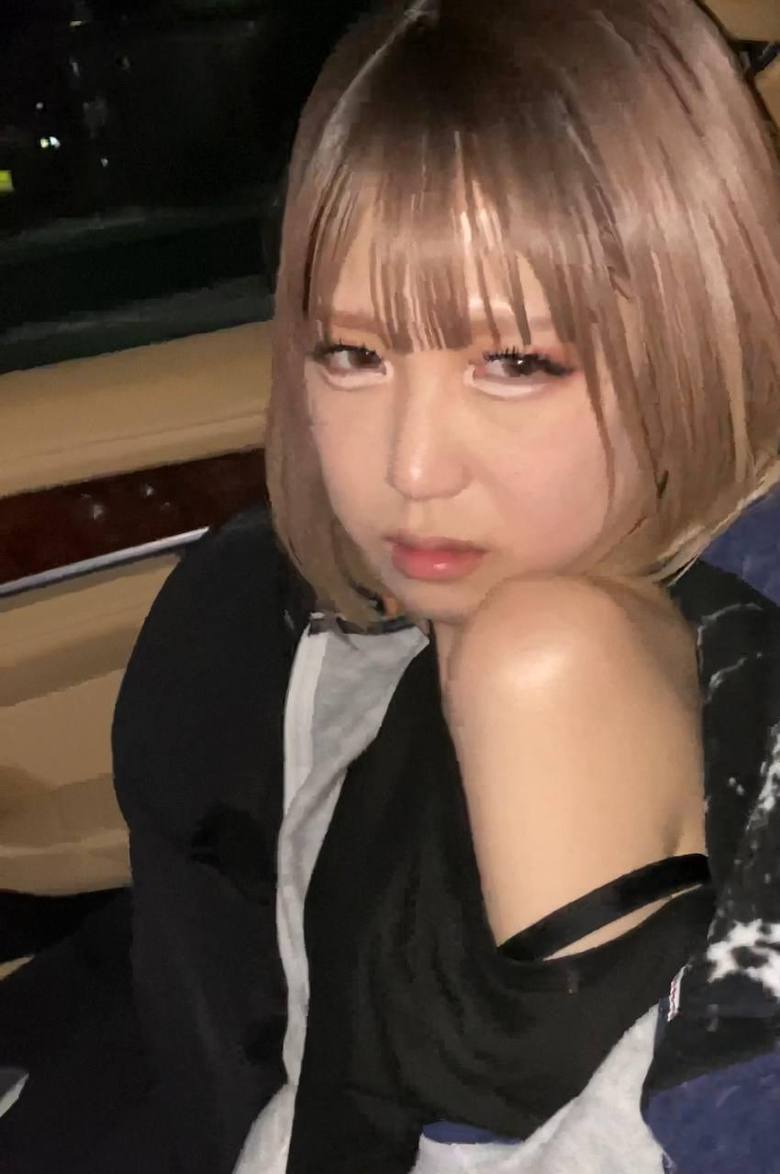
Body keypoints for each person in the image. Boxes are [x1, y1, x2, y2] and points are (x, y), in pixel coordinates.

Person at [112, 1, 780, 1172]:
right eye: (353, 353)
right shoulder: (501, 621)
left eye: (515, 362)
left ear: (696, 329)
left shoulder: (548, 660)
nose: (411, 466)